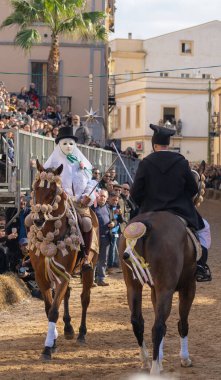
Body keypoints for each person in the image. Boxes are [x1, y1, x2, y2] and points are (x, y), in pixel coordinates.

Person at [130, 123, 211, 282]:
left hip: (150, 209)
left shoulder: (145, 162)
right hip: (179, 210)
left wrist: (145, 203)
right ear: (169, 144)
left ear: (154, 145)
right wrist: (183, 200)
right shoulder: (181, 161)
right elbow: (193, 188)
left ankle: (131, 262)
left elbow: (135, 193)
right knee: (204, 228)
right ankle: (201, 265)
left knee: (130, 230)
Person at [43, 126, 97, 268]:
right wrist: (60, 193)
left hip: (79, 203)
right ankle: (36, 253)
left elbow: (91, 182)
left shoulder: (83, 162)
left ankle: (85, 256)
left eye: (71, 143)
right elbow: (46, 184)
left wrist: (87, 196)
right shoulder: (51, 163)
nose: (68, 146)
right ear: (59, 145)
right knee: (36, 220)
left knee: (86, 223)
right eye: (65, 143)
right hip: (58, 203)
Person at [92, 189, 111, 286]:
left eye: (104, 196)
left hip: (106, 237)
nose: (102, 198)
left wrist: (113, 223)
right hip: (94, 238)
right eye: (101, 195)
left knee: (103, 259)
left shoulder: (108, 208)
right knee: (93, 259)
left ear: (107, 198)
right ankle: (90, 280)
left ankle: (101, 279)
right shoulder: (92, 208)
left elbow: (114, 219)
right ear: (97, 196)